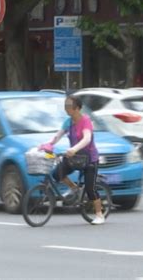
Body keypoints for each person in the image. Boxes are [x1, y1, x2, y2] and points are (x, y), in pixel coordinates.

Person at [39, 95, 105, 225]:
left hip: (89, 158)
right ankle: (74, 188)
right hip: (74, 157)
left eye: (70, 106)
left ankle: (99, 214)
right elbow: (58, 136)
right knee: (57, 173)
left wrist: (74, 149)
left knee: (90, 188)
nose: (67, 109)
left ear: (78, 108)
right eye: (66, 106)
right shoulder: (68, 122)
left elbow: (86, 139)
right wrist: (48, 145)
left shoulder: (86, 121)